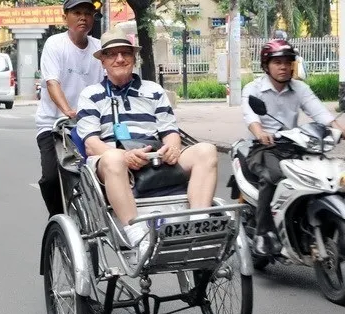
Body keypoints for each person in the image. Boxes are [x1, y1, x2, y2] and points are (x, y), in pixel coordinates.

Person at [76, 28, 219, 263]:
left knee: (206, 150)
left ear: (134, 57)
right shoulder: (91, 95)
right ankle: (136, 235)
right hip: (111, 159)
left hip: (156, 157)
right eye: (112, 54)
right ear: (103, 60)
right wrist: (124, 155)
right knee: (113, 160)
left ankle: (198, 224)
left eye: (125, 53)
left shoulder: (153, 91)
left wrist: (172, 147)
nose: (119, 59)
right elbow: (91, 144)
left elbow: (170, 131)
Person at [242, 39, 345, 256]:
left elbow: (321, 114)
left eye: (288, 62)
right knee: (271, 178)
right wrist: (260, 133)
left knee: (333, 177)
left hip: (297, 146)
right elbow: (251, 117)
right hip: (265, 148)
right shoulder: (254, 89)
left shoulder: (300, 88)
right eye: (277, 62)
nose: (284, 67)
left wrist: (338, 129)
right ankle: (263, 233)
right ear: (266, 65)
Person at [35, 0, 105, 218]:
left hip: (89, 124)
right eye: (77, 13)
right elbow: (52, 82)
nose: (83, 17)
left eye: (88, 13)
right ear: (65, 17)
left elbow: (106, 84)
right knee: (51, 178)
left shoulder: (98, 47)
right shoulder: (55, 44)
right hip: (53, 124)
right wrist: (67, 110)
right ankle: (58, 221)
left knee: (107, 169)